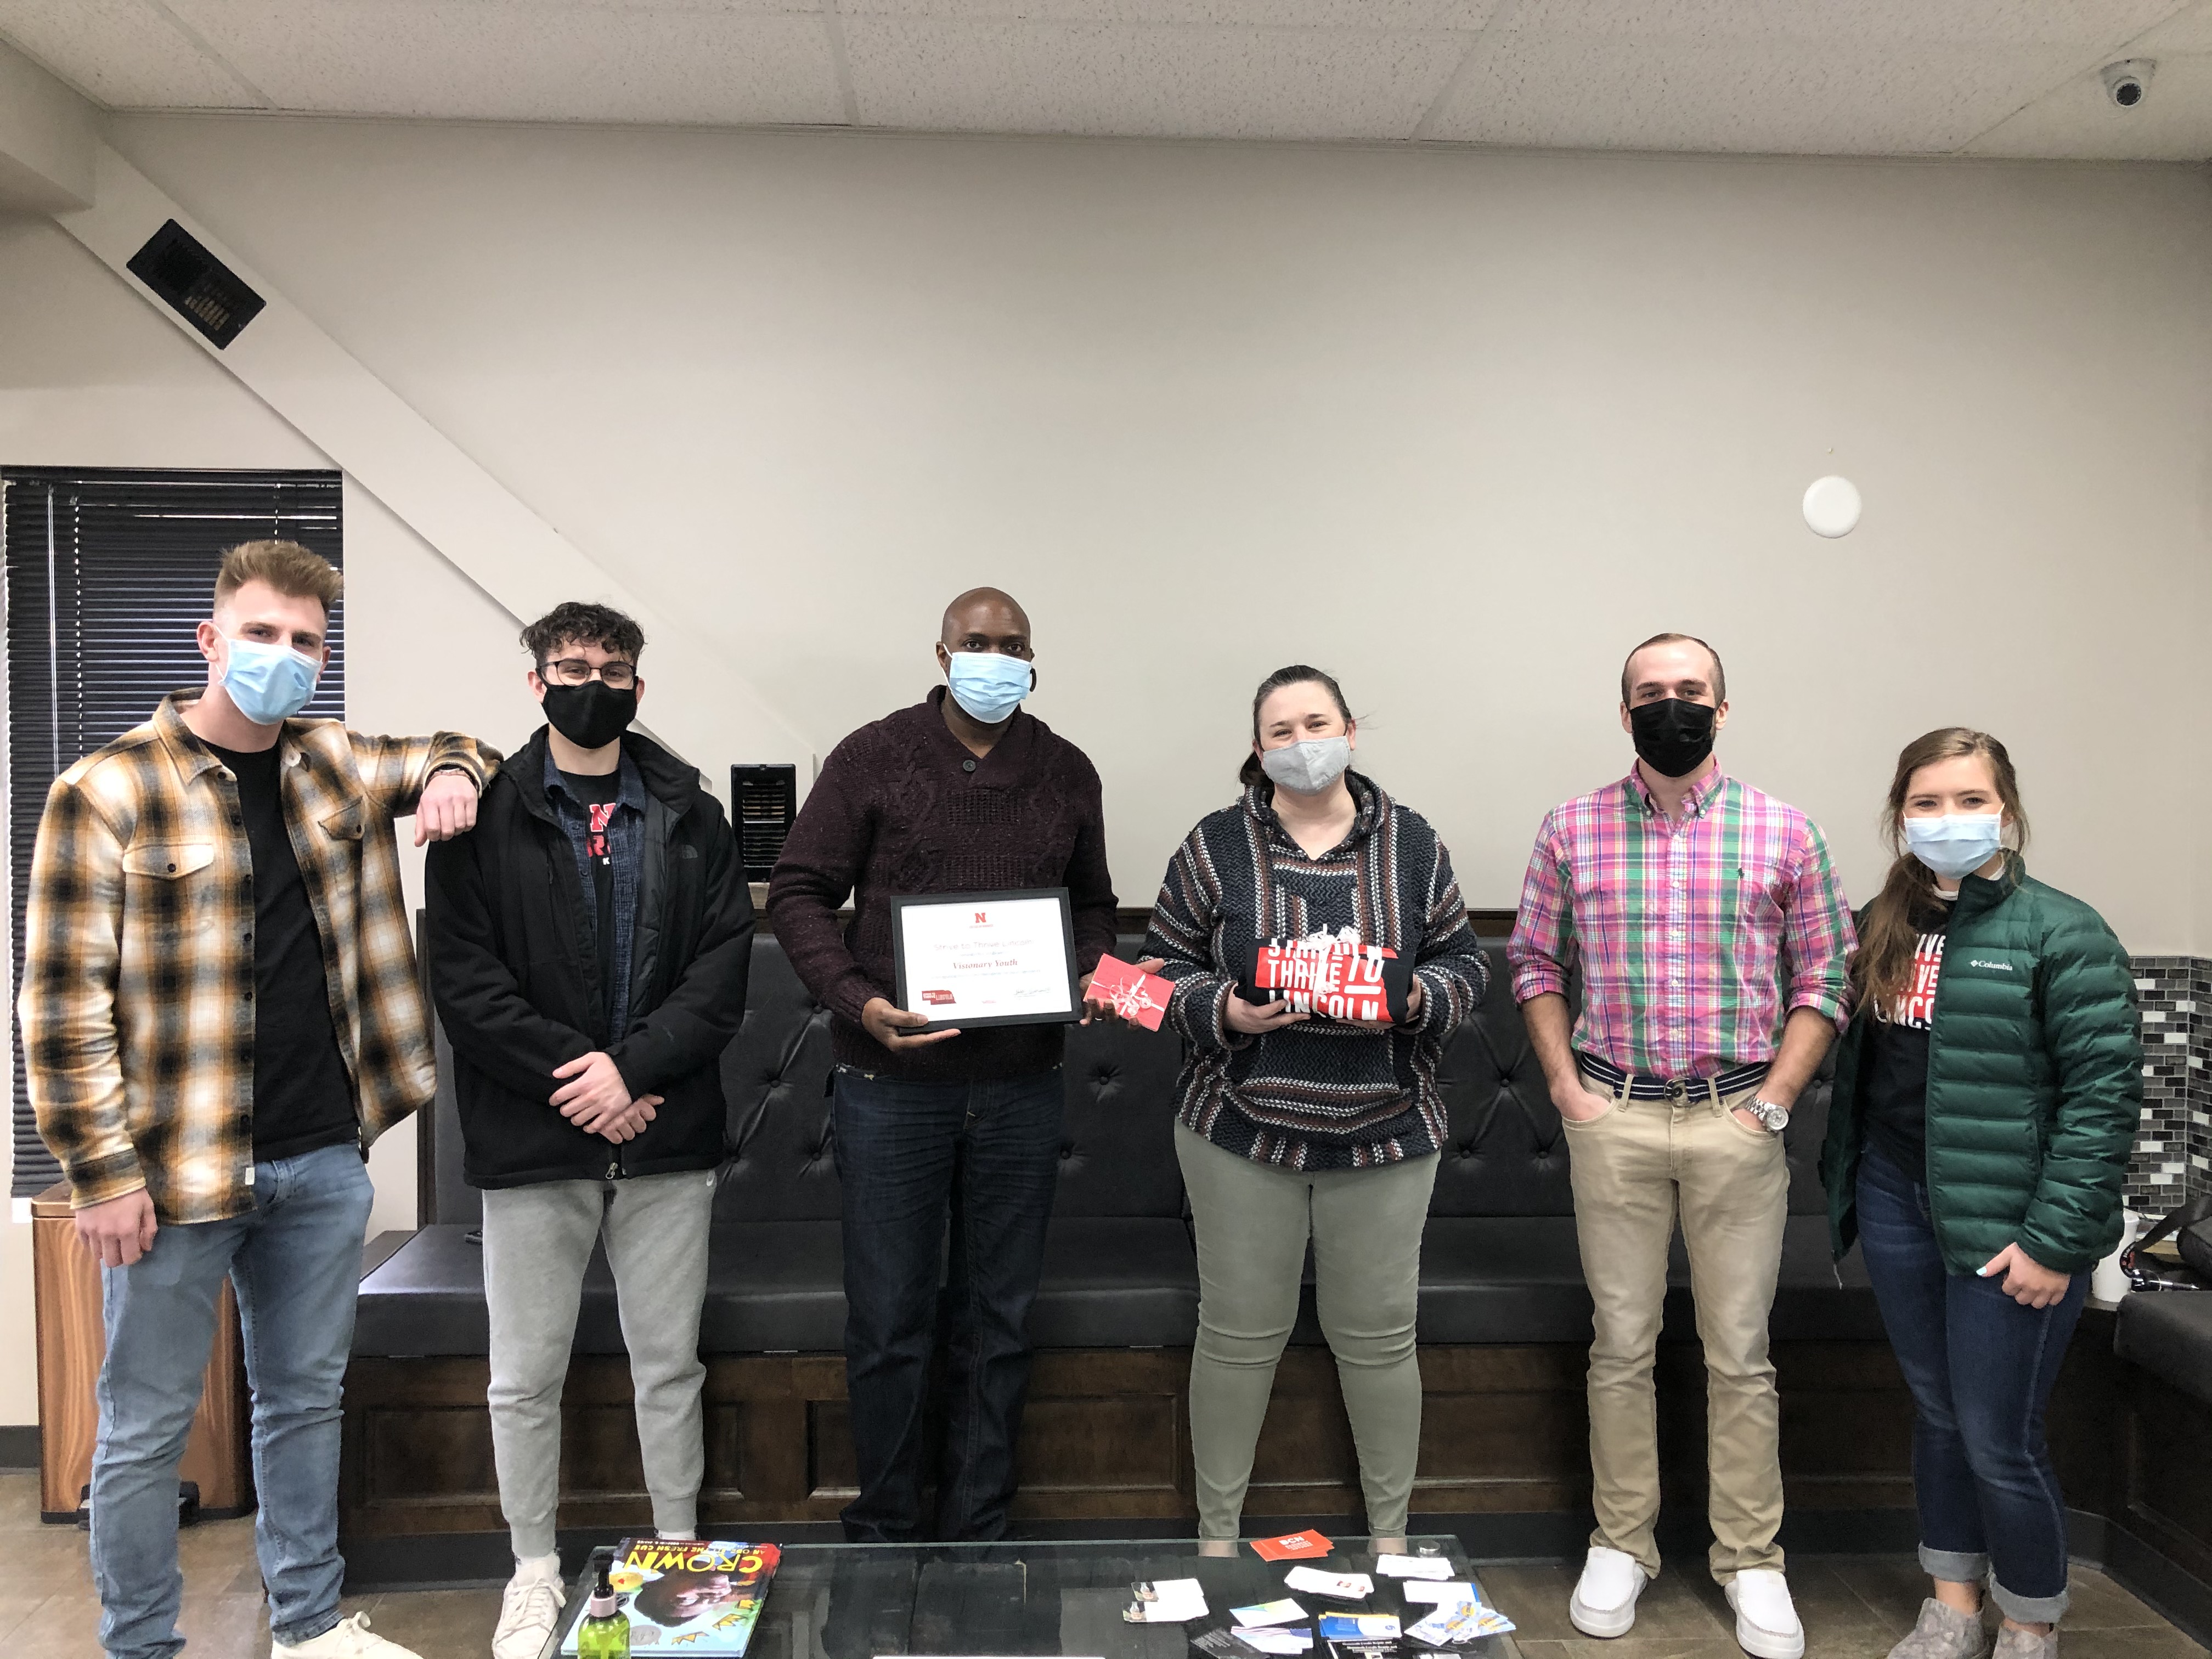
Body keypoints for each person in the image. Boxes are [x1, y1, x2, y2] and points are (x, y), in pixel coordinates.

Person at [19, 541, 496, 1659]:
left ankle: (309, 1628)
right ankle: (141, 1644)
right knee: (142, 1431)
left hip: (324, 1162)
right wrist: (100, 1176)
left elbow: (459, 747)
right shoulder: (105, 791)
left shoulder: (332, 765)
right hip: (170, 1178)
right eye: (262, 634)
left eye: (306, 643)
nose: (283, 657)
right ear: (209, 641)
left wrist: (453, 775)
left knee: (302, 1405)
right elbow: (59, 1007)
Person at [1507, 633, 1854, 1659]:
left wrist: (1777, 1101)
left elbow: (1823, 977)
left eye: (1691, 691)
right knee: (1621, 1345)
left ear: (1723, 706)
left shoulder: (1786, 831)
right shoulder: (1570, 828)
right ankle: (1623, 1542)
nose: (1673, 706)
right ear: (1625, 714)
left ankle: (1752, 1561)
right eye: (1652, 693)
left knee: (1739, 1353)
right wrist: (1569, 1089)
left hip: (1737, 1117)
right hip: (1612, 1116)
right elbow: (1532, 959)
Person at [424, 601, 754, 1658]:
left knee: (670, 1366)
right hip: (535, 1138)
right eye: (571, 666)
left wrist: (637, 1071)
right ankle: (532, 1570)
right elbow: (467, 984)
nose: (593, 683)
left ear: (640, 687)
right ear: (536, 682)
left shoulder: (694, 813)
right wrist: (587, 1082)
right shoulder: (486, 812)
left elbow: (720, 973)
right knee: (524, 1374)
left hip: (666, 1132)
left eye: (614, 668)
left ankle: (678, 1556)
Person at [766, 586, 1121, 1542]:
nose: (994, 657)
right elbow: (799, 892)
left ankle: (978, 1527)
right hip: (890, 1089)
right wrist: (859, 1003)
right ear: (941, 652)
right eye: (977, 642)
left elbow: (1094, 907)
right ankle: (883, 1526)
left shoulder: (1065, 769)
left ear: (1033, 658)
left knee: (999, 1321)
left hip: (1022, 1089)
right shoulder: (871, 755)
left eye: (1013, 645)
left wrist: (1085, 974)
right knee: (888, 1323)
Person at [1144, 664, 1489, 1552]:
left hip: (1388, 1133)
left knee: (1378, 1341)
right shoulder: (1214, 845)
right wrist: (1223, 1008)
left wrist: (1414, 1000)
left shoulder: (1412, 843)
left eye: (1317, 723)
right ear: (1258, 751)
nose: (1303, 745)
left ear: (1351, 729)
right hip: (1237, 1130)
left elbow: (1466, 965)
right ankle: (1216, 1539)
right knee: (1236, 1336)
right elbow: (1152, 980)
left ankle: (1391, 1540)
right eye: (1281, 732)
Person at [1821, 731, 2139, 1659]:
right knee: (1938, 1416)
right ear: (1899, 816)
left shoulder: (2063, 930)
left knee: (2002, 1435)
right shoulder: (1887, 920)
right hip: (1895, 1199)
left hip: (2012, 1225)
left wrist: (2056, 1241)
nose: (1948, 820)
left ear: (2007, 808)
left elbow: (2103, 1100)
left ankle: (2031, 1621)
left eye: (1970, 799)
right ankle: (1952, 1606)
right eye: (1926, 803)